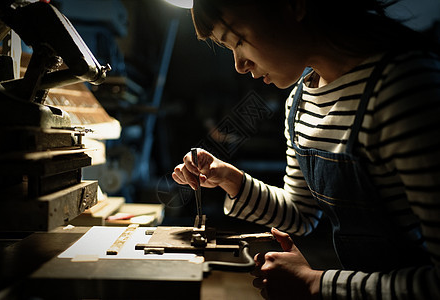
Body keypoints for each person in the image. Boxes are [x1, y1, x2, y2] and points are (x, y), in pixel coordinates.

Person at [172, 0, 440, 299]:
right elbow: (300, 215)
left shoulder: (402, 89)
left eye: (238, 41)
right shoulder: (301, 101)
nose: (239, 65)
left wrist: (318, 284)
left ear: (293, 6)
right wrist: (229, 178)